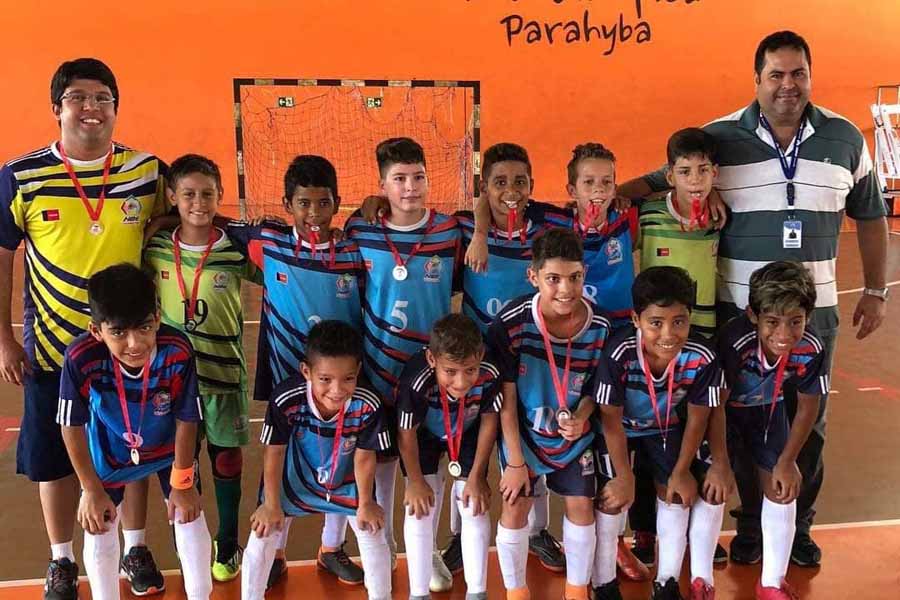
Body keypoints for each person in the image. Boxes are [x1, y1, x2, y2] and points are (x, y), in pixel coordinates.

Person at [617, 30, 889, 567]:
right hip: (738, 314)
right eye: (776, 75)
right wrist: (697, 190)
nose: (788, 85)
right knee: (741, 421)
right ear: (757, 79)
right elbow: (646, 185)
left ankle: (798, 527)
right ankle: (750, 527)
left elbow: (871, 215)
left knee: (808, 423)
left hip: (815, 313)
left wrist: (876, 290)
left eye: (798, 73)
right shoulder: (720, 138)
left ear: (810, 76)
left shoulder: (844, 138)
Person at [0, 58, 168, 599]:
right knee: (52, 458)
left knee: (133, 446)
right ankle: (61, 560)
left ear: (116, 107)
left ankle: (136, 548)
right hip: (52, 347)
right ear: (57, 108)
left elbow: (184, 217)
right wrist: (4, 338)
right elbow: (2, 258)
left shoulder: (147, 172)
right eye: (77, 97)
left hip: (128, 347)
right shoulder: (20, 176)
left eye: (102, 98)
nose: (91, 107)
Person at [227, 155, 368, 587]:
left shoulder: (353, 251)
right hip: (288, 381)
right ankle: (275, 553)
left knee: (339, 461)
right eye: (303, 204)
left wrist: (373, 205)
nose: (314, 214)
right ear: (287, 204)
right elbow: (211, 223)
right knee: (281, 460)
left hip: (338, 384)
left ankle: (331, 548)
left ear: (337, 203)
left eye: (323, 203)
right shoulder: (267, 241)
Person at [344, 137, 461, 588]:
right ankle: (386, 542)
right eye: (399, 179)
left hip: (432, 372)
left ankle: (425, 551)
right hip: (378, 367)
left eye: (418, 177)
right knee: (382, 458)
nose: (410, 187)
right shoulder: (362, 230)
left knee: (429, 464)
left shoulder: (450, 231)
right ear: (382, 185)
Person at [57, 264, 212, 600]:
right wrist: (90, 488)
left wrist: (183, 483)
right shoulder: (81, 358)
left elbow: (188, 419)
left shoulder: (177, 350)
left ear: (157, 318)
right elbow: (71, 425)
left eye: (144, 328)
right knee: (98, 522)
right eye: (118, 333)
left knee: (188, 515)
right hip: (111, 452)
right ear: (96, 331)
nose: (134, 343)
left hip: (170, 451)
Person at [449, 143, 565, 574]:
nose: (511, 191)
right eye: (500, 182)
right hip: (476, 366)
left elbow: (594, 204)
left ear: (532, 185)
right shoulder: (465, 228)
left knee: (535, 443)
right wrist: (480, 233)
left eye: (520, 181)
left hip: (530, 361)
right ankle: (459, 536)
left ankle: (538, 531)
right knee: (466, 449)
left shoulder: (547, 224)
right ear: (485, 188)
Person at [144, 154, 258, 582]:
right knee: (181, 468)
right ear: (172, 196)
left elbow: (277, 271)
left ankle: (227, 543)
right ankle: (190, 544)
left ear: (220, 195)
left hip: (224, 375)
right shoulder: (155, 248)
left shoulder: (235, 249)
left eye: (207, 194)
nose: (198, 203)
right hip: (173, 384)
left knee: (226, 460)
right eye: (188, 194)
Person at [591, 267, 729, 600]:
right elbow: (610, 419)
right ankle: (603, 582)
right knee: (612, 498)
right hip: (620, 429)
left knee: (677, 493)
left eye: (679, 321)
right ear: (636, 319)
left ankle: (666, 581)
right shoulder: (619, 353)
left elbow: (699, 416)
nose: (668, 334)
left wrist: (681, 471)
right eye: (656, 323)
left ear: (690, 317)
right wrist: (623, 475)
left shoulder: (702, 355)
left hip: (664, 428)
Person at [488, 227, 611, 600]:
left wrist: (583, 416)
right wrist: (514, 461)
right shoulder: (511, 323)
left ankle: (576, 590)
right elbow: (506, 398)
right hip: (524, 435)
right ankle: (516, 592)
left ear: (584, 275)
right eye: (553, 279)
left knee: (581, 505)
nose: (565, 289)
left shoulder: (601, 327)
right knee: (515, 504)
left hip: (574, 440)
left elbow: (596, 390)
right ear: (533, 276)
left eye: (574, 278)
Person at [240, 320, 392, 600]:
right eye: (325, 379)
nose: (337, 389)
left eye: (348, 378)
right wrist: (270, 504)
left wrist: (366, 503)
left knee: (372, 532)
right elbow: (274, 451)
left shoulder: (368, 404)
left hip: (345, 482)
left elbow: (364, 457)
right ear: (306, 372)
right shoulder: (286, 398)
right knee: (262, 534)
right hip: (294, 481)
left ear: (358, 371)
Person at [717, 261, 829, 599]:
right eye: (773, 322)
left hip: (767, 412)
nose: (784, 334)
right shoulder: (735, 341)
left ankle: (771, 582)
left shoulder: (812, 347)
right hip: (722, 415)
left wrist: (787, 460)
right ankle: (699, 578)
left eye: (795, 321)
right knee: (712, 486)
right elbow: (714, 404)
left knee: (782, 488)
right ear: (753, 316)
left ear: (808, 316)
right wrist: (720, 461)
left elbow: (808, 406)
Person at [397, 313, 501, 600]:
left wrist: (477, 476)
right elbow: (406, 434)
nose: (461, 381)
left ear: (481, 355)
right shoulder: (416, 380)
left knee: (475, 505)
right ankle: (418, 593)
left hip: (467, 432)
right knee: (419, 508)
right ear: (432, 360)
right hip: (424, 436)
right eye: (451, 371)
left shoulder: (490, 372)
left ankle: (477, 593)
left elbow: (490, 421)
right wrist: (414, 481)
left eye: (470, 370)